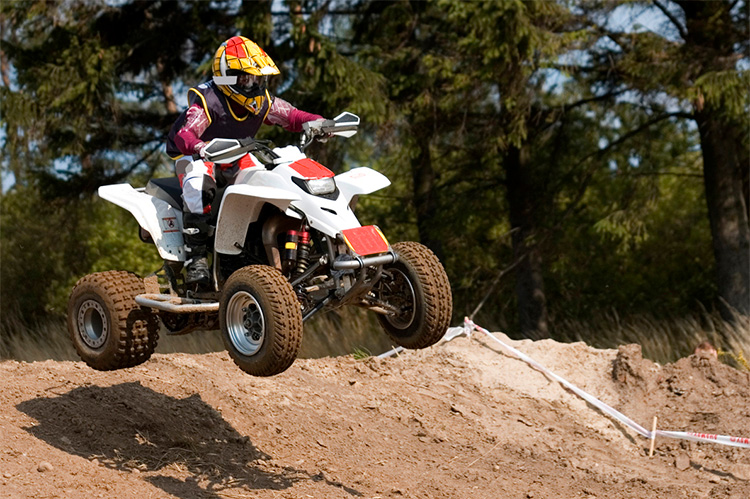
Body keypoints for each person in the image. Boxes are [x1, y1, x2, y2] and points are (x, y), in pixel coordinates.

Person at [166, 36, 325, 286]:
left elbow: (292, 116)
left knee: (265, 182)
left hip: (238, 154)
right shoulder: (209, 101)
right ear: (227, 76)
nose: (254, 85)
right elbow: (184, 133)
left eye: (258, 79)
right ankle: (196, 261)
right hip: (197, 155)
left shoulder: (261, 102)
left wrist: (319, 122)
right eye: (246, 78)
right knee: (198, 185)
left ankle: (252, 247)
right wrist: (200, 146)